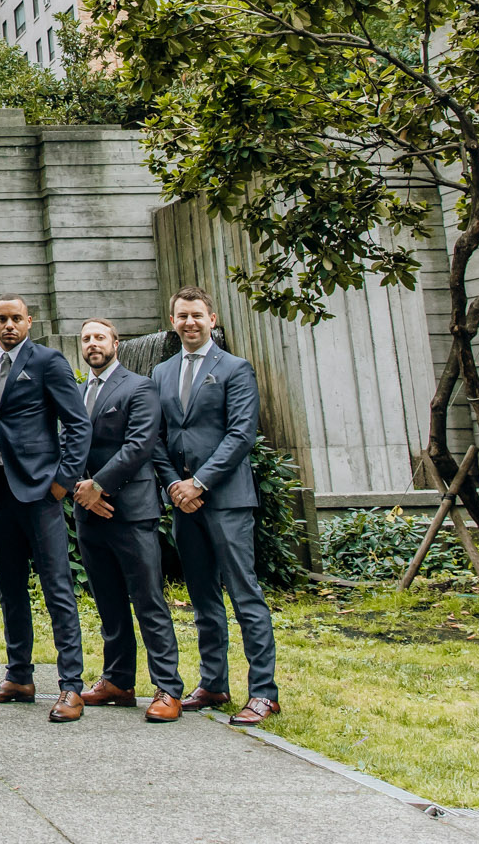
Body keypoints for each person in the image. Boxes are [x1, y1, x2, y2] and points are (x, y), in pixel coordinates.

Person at [157, 286, 280, 725]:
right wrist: (175, 485)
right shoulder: (162, 372)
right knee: (202, 597)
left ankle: (264, 692)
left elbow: (241, 434)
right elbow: (158, 438)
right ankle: (213, 683)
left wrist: (200, 482)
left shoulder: (235, 368)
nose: (189, 322)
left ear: (212, 319)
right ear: (172, 322)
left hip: (226, 500)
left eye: (196, 315)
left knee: (245, 594)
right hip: (182, 504)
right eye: (181, 315)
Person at [0, 294, 92, 722]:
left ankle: (70, 686)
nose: (9, 325)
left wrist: (63, 482)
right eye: (2, 319)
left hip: (41, 492)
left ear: (29, 322)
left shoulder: (49, 362)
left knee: (57, 587)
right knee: (9, 587)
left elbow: (77, 422)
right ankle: (20, 674)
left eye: (17, 319)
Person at [70, 317, 183, 723]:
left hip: (130, 511)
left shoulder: (139, 387)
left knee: (148, 600)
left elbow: (140, 445)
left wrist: (98, 486)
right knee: (108, 602)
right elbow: (69, 446)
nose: (93, 343)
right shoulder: (79, 392)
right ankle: (118, 680)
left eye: (100, 337)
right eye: (86, 339)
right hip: (90, 513)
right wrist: (81, 490)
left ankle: (168, 687)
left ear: (116, 343)